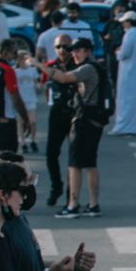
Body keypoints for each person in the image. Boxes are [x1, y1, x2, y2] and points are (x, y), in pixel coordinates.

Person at [48, 38, 108, 218]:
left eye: (77, 51)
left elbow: (64, 78)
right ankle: (93, 204)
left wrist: (38, 64)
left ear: (88, 51)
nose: (73, 54)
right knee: (90, 163)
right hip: (95, 120)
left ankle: (73, 204)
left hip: (84, 121)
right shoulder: (97, 67)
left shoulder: (88, 68)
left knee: (74, 165)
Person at [41, 36, 77, 210]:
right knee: (51, 154)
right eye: (58, 47)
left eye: (66, 46)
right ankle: (56, 186)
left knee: (73, 156)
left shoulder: (77, 65)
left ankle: (72, 194)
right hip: (56, 112)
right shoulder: (50, 66)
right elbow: (44, 87)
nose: (62, 50)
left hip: (74, 113)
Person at [108, 12, 136, 136]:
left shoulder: (130, 35)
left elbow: (124, 53)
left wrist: (117, 52)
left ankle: (123, 126)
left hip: (128, 73)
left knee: (125, 100)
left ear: (129, 22)